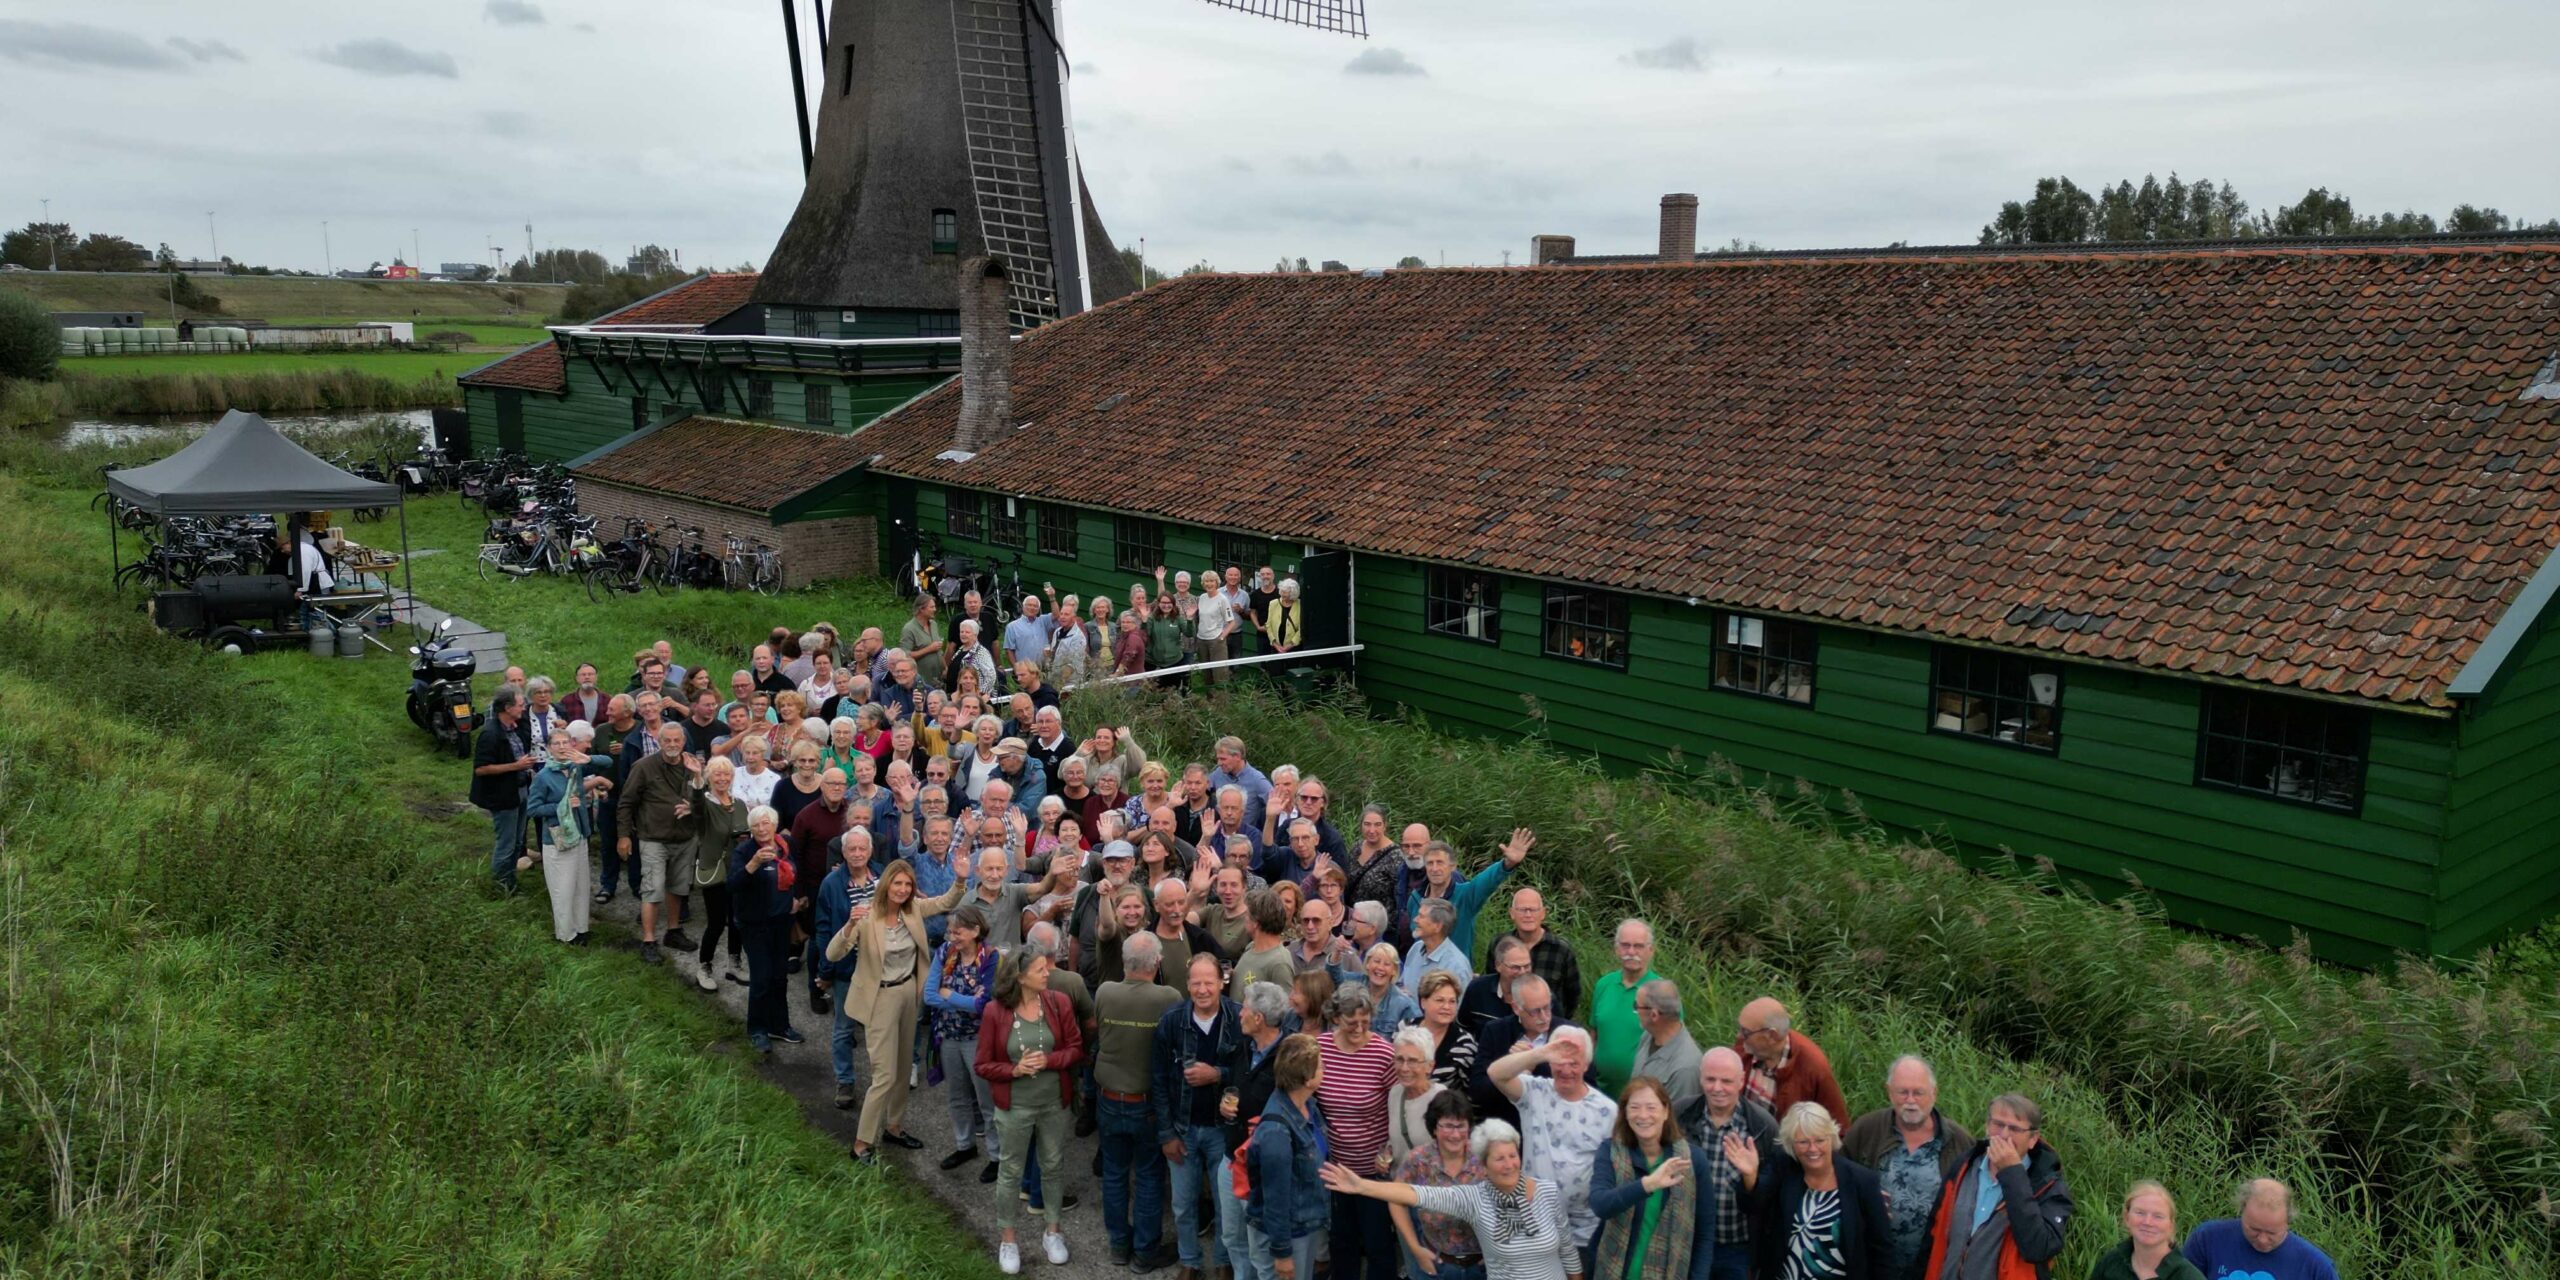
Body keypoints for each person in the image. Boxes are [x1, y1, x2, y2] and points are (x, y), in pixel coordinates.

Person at [832, 857, 971, 1161]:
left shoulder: (913, 909)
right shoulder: (867, 915)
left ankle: (894, 1127)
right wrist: (849, 925)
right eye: (898, 883)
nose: (903, 889)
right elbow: (833, 954)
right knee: (884, 1074)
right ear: (886, 884)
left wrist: (960, 880)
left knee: (903, 1065)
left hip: (909, 992)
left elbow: (946, 901)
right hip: (880, 998)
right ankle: (861, 1143)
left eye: (908, 885)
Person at [1319, 1116, 1577, 1280]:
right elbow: (1414, 1193)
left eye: (1513, 1155)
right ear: (1483, 1165)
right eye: (1499, 1158)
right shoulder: (1475, 1198)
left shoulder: (1547, 1192)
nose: (1509, 1164)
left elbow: (1567, 1248)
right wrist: (1363, 1186)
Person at [978, 948, 1083, 1275]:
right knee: (1010, 1172)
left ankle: (1053, 1231)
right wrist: (1014, 1070)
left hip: (1053, 1103)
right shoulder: (995, 1012)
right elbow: (982, 1064)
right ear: (1021, 976)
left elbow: (1076, 1048)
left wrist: (1048, 1061)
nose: (1047, 973)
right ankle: (1008, 1238)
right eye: (1040, 969)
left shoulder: (1058, 1003)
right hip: (1015, 1108)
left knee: (1052, 1166)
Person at [1490, 1025, 1619, 1269]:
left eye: (1574, 1063)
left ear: (1586, 1065)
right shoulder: (1534, 1091)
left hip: (1582, 1233)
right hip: (1534, 1227)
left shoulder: (1607, 1111)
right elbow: (1496, 1073)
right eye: (1560, 1061)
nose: (1566, 1070)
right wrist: (1541, 1053)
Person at [1097, 932, 1186, 1270]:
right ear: (1158, 963)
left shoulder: (1106, 992)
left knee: (1116, 1173)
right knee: (1148, 1176)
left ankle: (1119, 1245)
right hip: (1146, 1103)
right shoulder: (1168, 997)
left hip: (1108, 1098)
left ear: (1124, 961)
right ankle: (1145, 1252)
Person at [1840, 1057, 1974, 1280]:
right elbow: (1838, 1179)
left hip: (1932, 1266)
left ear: (1934, 1093)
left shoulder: (1958, 1141)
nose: (1910, 1100)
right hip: (1872, 1263)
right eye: (1903, 1092)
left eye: (1918, 1093)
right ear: (1889, 1092)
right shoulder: (1867, 1130)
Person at [1155, 952, 1243, 1280]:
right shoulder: (1172, 1021)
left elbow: (1250, 1072)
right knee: (1182, 1203)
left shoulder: (1239, 1018)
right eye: (1196, 983)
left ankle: (1223, 1260)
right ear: (1187, 984)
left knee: (1226, 1205)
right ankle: (1189, 1261)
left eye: (1209, 982)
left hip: (1225, 1130)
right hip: (1183, 1128)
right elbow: (1159, 1080)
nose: (1203, 989)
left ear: (1223, 982)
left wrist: (1216, 1074)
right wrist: (1166, 1134)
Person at [1729, 1101, 1891, 1280]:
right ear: (1791, 1144)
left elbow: (1881, 1249)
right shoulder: (1783, 1168)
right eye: (1803, 1142)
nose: (1813, 1149)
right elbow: (1753, 1205)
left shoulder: (1862, 1181)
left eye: (1820, 1140)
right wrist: (1750, 1176)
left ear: (1832, 1138)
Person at [1919, 1094, 2074, 1280]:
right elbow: (1933, 1234)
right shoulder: (1965, 1166)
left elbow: (2039, 1248)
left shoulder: (2048, 1186)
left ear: (2033, 1139)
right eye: (1998, 1124)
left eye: (2015, 1128)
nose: (2004, 1134)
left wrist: (2012, 1174)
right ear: (1987, 1125)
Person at [1587, 1076, 1719, 1280]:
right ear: (1625, 1112)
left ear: (1666, 1111)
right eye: (1635, 1107)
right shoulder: (1610, 1151)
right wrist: (1648, 1184)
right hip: (1612, 1271)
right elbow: (1600, 1205)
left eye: (1651, 1107)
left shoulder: (1693, 1160)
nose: (1643, 1115)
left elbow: (1704, 1231)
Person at [1317, 986, 1403, 1280]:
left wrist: (1389, 1150)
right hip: (1336, 1167)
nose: (1359, 1028)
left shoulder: (1382, 1053)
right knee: (1342, 1241)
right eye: (1351, 1022)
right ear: (1335, 1017)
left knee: (1378, 1242)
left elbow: (1399, 1106)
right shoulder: (1321, 1047)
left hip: (1373, 1169)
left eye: (1365, 1021)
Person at [1683, 1049, 1776, 1280]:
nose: (1717, 1088)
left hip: (1738, 1246)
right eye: (1710, 1079)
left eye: (1726, 1081)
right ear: (1700, 1077)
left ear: (1741, 1081)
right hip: (1689, 1241)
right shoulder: (1680, 1115)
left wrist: (1751, 1177)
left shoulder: (1761, 1126)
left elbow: (1769, 1199)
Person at [1245, 1033, 1331, 1280]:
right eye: (1321, 1065)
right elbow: (1276, 1200)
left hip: (1304, 1225)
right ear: (1307, 1078)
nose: (1325, 1068)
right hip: (1289, 1234)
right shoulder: (1277, 1132)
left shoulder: (1308, 1106)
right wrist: (1282, 1256)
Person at [925, 904, 1002, 1177]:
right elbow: (929, 996)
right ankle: (964, 1145)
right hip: (948, 1035)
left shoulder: (990, 958)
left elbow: (984, 1005)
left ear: (975, 930)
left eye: (957, 932)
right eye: (950, 932)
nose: (952, 937)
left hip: (978, 1039)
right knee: (957, 1095)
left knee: (986, 1100)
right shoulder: (945, 953)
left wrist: (949, 995)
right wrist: (960, 1001)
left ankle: (996, 1155)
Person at [618, 720, 698, 964]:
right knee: (652, 889)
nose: (672, 744)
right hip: (653, 837)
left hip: (685, 837)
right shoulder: (643, 766)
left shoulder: (692, 765)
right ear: (658, 742)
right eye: (667, 740)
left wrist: (696, 785)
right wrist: (623, 836)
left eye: (677, 740)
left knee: (678, 887)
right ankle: (649, 940)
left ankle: (673, 932)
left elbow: (706, 799)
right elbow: (626, 802)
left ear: (684, 742)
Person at [1391, 1090, 1490, 1280]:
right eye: (1447, 1126)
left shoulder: (1485, 1156)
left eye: (1461, 1126)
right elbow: (1395, 1199)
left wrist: (1499, 1247)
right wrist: (1414, 1248)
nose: (1455, 1134)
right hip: (1437, 1264)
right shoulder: (1418, 1159)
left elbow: (1511, 1197)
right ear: (1434, 1128)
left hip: (1483, 1266)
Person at [815, 833, 882, 1109]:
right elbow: (823, 929)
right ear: (843, 853)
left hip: (880, 967)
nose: (857, 853)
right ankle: (845, 1081)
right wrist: (825, 970)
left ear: (870, 850)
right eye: (851, 849)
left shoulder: (883, 878)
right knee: (844, 1028)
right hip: (847, 968)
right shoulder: (831, 884)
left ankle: (882, 1082)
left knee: (878, 1029)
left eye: (861, 848)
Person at [726, 805, 799, 1054]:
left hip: (781, 922)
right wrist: (753, 864)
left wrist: (796, 899)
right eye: (756, 825)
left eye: (766, 823)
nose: (761, 828)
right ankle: (757, 1029)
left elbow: (796, 875)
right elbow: (733, 884)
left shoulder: (786, 845)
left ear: (775, 825)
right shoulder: (744, 851)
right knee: (761, 978)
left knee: (780, 976)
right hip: (754, 924)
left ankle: (780, 1025)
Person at [525, 723, 607, 944]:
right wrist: (561, 806)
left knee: (581, 886)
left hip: (579, 834)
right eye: (556, 744)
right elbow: (533, 809)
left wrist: (587, 759)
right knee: (563, 889)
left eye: (565, 742)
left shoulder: (575, 767)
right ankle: (566, 934)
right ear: (549, 748)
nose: (561, 747)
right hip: (557, 839)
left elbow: (607, 762)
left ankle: (581, 928)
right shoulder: (543, 776)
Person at [1404, 829, 1533, 960]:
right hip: (1422, 971)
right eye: (1430, 863)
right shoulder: (1415, 899)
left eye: (1440, 862)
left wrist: (1508, 863)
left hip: (1454, 975)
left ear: (1452, 866)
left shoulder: (1466, 896)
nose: (1435, 869)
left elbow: (1487, 881)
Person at [2180, 1179, 2336, 1280]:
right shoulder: (2207, 1239)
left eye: (2272, 1233)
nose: (2262, 1240)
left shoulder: (2316, 1267)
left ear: (2288, 1221)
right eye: (2253, 1229)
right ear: (2242, 1210)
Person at [686, 756, 751, 993]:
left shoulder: (741, 803)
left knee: (737, 920)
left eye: (727, 774)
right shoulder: (705, 803)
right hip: (714, 869)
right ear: (710, 778)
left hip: (738, 870)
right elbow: (696, 807)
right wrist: (696, 777)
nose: (722, 779)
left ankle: (735, 962)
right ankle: (705, 967)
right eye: (717, 774)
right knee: (715, 922)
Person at [1732, 998, 1850, 1130]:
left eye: (1745, 1032)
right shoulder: (1745, 1047)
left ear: (1772, 1036)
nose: (1739, 1036)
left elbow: (1837, 1128)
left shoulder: (1813, 1067)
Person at [1471, 975, 1560, 1129]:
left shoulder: (1567, 1033)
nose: (1544, 1017)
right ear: (1516, 1008)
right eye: (1535, 1011)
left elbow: (1586, 1085)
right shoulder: (1495, 1031)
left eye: (1547, 1007)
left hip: (1554, 1126)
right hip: (1506, 1129)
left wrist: (1534, 1063)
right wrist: (1511, 1066)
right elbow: (1478, 1090)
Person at [470, 683, 535, 892]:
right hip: (503, 795)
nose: (523, 708)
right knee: (506, 843)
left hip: (521, 790)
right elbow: (481, 769)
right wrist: (515, 766)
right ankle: (499, 886)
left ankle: (510, 881)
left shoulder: (516, 728)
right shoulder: (490, 734)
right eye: (520, 705)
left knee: (518, 842)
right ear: (507, 708)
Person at [1589, 920, 1660, 1095]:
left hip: (1642, 1094)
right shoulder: (1604, 985)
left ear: (1650, 951)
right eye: (1625, 945)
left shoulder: (1661, 991)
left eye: (1638, 946)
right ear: (1616, 949)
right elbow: (1594, 1033)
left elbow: (1672, 1044)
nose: (1631, 952)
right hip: (1601, 1090)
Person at [1493, 887, 1583, 1022]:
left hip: (1547, 1027)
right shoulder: (1499, 945)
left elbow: (1572, 995)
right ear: (1512, 913)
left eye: (1533, 910)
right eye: (1522, 910)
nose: (1528, 915)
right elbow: (1493, 983)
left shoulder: (1561, 949)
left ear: (1543, 913)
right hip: (1505, 1024)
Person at [1628, 981, 1705, 1129]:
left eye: (1636, 1006)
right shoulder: (1648, 1036)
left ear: (1654, 1015)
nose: (1636, 1011)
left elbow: (1677, 1125)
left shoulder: (1685, 1069)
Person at [2091, 1182, 2206, 1280]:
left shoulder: (2187, 1276)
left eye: (2158, 1216)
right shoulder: (2111, 1263)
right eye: (2140, 1213)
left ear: (2171, 1225)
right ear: (2127, 1218)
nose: (2148, 1222)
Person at [1387, 1025, 1449, 1166]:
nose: (1404, 1068)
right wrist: (1387, 1153)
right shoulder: (1395, 1093)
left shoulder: (1441, 1098)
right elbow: (1396, 1141)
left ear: (1430, 1066)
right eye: (1400, 1059)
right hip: (1397, 1184)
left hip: (1427, 1186)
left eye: (1413, 1061)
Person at [1415, 970, 1482, 1091]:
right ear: (1423, 1002)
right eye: (1440, 1000)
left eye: (1452, 1001)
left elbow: (1470, 1093)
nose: (1446, 1007)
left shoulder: (1465, 1043)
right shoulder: (1405, 1028)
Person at [1230, 887, 1297, 1001]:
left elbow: (1285, 1009)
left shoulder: (1279, 963)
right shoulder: (1251, 947)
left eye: (1247, 914)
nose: (1244, 918)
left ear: (1256, 922)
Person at [1463, 937, 1536, 1041]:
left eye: (1527, 966)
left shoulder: (1542, 995)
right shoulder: (1477, 989)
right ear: (1498, 965)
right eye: (1515, 967)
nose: (1523, 972)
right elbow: (1463, 1029)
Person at [1404, 898, 1476, 995]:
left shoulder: (1457, 967)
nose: (1415, 920)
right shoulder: (1416, 949)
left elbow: (1458, 1008)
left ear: (1437, 926)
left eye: (1421, 916)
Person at [1361, 941, 1424, 1036]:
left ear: (1394, 970)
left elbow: (1418, 1034)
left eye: (1387, 964)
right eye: (1376, 961)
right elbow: (1334, 974)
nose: (1380, 967)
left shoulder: (1405, 1005)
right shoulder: (1353, 984)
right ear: (1367, 964)